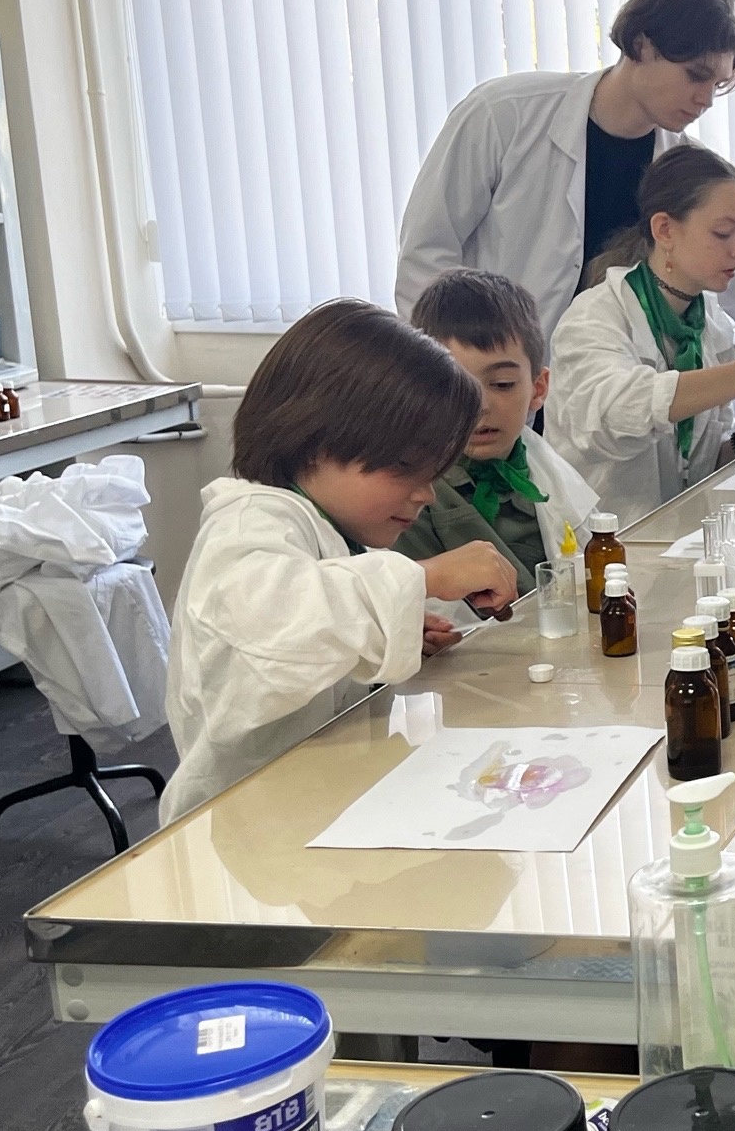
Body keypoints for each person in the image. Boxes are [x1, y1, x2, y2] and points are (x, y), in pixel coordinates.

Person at [394, 0, 735, 415]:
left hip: (609, 404)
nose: (706, 99)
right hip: (488, 397)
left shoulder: (684, 168)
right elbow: (427, 254)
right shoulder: (504, 115)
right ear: (642, 45)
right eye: (696, 75)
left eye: (718, 84)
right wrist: (450, 384)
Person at [163, 302, 518, 820]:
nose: (425, 494)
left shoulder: (326, 526)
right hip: (237, 819)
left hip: (315, 796)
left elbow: (315, 623)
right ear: (313, 441)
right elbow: (273, 622)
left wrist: (382, 632)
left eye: (433, 473)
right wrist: (425, 577)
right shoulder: (247, 523)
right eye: (405, 468)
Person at [548, 147, 735, 513]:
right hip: (603, 539)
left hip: (673, 533)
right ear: (664, 230)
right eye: (724, 233)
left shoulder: (708, 321)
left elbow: (692, 473)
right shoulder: (595, 317)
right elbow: (614, 417)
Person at [394, 269, 599, 599]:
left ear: (538, 388)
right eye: (456, 386)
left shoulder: (543, 467)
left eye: (502, 384)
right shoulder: (410, 495)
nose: (481, 407)